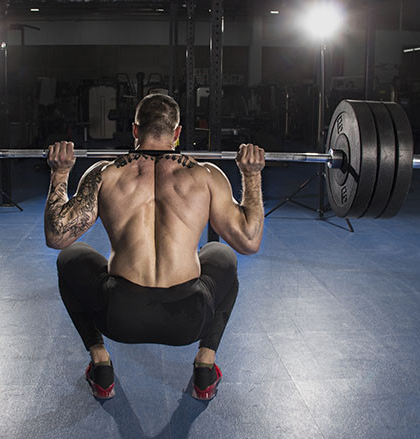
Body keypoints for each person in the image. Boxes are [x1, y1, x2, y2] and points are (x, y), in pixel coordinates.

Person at [45, 94, 265, 400]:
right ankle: (205, 364)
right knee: (223, 255)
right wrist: (251, 175)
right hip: (189, 318)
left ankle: (100, 361)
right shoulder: (206, 175)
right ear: (177, 133)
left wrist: (60, 172)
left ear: (135, 130)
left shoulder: (105, 174)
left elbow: (57, 237)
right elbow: (249, 241)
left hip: (119, 316)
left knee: (70, 258)